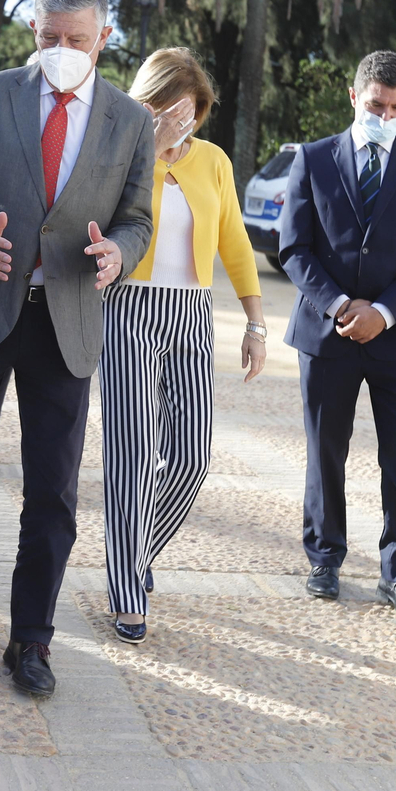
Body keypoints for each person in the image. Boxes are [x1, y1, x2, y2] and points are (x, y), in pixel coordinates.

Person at [0, 0, 154, 698]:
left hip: (66, 318)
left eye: (77, 40)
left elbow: (138, 219)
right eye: (50, 37)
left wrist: (119, 253)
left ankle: (31, 639)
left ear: (103, 37)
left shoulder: (130, 120)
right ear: (32, 31)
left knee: (52, 492)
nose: (63, 50)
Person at [100, 48, 266, 646]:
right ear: (143, 103)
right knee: (133, 454)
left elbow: (234, 240)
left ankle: (136, 551)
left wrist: (255, 323)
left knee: (192, 457)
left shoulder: (214, 161)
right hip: (127, 308)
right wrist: (147, 147)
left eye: (188, 113)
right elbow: (103, 216)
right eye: (166, 110)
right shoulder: (117, 151)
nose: (178, 122)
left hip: (193, 313)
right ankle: (127, 591)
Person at [278, 51, 396, 619]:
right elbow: (293, 248)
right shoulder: (312, 159)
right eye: (377, 105)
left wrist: (383, 311)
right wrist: (338, 305)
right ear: (354, 97)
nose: (386, 117)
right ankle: (324, 559)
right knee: (326, 452)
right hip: (326, 335)